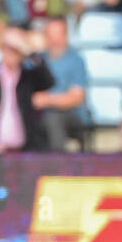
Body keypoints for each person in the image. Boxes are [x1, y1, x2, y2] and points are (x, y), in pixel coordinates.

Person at [0, 27, 55, 152]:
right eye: (8, 49)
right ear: (2, 49)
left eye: (16, 50)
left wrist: (29, 51)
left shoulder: (28, 78)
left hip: (24, 151)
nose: (12, 54)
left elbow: (49, 81)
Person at [31, 16, 91, 150]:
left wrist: (47, 100)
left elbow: (76, 98)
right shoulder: (36, 60)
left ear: (66, 35)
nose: (54, 39)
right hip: (40, 114)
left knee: (53, 118)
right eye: (50, 34)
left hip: (71, 115)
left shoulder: (75, 60)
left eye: (58, 34)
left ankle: (57, 164)